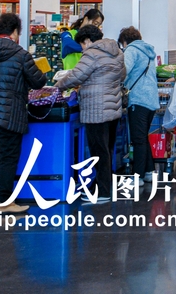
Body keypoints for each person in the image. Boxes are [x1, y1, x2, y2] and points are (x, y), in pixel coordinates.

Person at [0, 13, 47, 214]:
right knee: (7, 157)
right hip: (9, 113)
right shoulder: (21, 54)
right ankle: (5, 202)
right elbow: (38, 82)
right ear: (14, 32)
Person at [54, 24, 125, 202]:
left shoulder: (92, 53)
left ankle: (103, 192)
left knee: (98, 151)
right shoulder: (117, 52)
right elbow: (123, 75)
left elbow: (76, 76)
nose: (82, 49)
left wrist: (56, 87)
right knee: (107, 149)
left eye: (82, 44)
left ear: (87, 40)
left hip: (96, 109)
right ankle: (103, 185)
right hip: (113, 108)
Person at [118, 27, 159, 182]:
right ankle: (149, 171)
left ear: (124, 41)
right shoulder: (148, 51)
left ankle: (138, 176)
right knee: (143, 136)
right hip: (151, 99)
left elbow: (124, 72)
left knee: (138, 139)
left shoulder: (131, 50)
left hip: (138, 98)